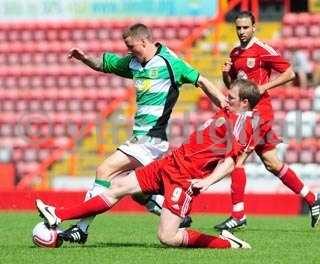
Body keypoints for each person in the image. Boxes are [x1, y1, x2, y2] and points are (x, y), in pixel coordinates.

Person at [36, 79, 261, 249]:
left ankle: (227, 243)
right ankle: (58, 214)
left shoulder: (243, 123)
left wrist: (208, 181)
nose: (225, 99)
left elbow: (232, 161)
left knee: (167, 237)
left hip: (184, 179)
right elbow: (216, 93)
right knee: (117, 187)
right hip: (170, 163)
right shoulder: (229, 109)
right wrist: (200, 78)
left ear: (244, 102)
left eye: (230, 97)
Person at [64, 23, 228, 243]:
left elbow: (202, 81)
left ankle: (80, 229)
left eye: (132, 46)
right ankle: (171, 211)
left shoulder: (170, 62)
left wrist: (226, 107)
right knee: (138, 191)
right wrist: (85, 59)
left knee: (105, 170)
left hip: (151, 139)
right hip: (141, 139)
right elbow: (104, 64)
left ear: (144, 41)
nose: (129, 50)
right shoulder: (133, 62)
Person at [214, 11, 320, 231]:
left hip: (259, 114)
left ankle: (238, 215)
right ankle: (312, 198)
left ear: (254, 27)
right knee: (272, 163)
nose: (242, 32)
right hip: (245, 115)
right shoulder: (235, 53)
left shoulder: (263, 50)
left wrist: (264, 87)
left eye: (245, 27)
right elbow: (234, 86)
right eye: (238, 28)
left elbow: (290, 73)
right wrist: (226, 75)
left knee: (237, 160)